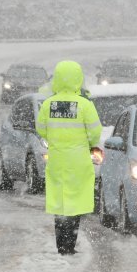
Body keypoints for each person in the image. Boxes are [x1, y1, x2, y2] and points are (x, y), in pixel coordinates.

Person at [36, 61, 102, 255]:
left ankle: (61, 245)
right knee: (75, 203)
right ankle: (70, 244)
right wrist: (83, 142)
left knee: (60, 202)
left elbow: (41, 129)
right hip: (78, 161)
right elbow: (95, 132)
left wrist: (56, 139)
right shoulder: (84, 104)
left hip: (57, 160)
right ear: (78, 78)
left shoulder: (49, 104)